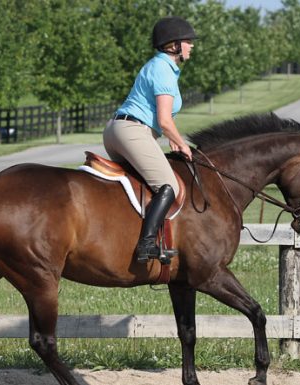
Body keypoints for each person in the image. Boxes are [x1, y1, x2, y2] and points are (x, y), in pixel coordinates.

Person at [103, 16, 196, 264]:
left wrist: (172, 140)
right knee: (169, 186)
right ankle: (146, 245)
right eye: (188, 41)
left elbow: (161, 122)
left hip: (120, 130)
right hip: (132, 131)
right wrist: (182, 142)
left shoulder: (159, 67)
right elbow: (165, 121)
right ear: (174, 45)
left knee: (143, 184)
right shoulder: (163, 70)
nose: (192, 46)